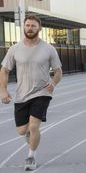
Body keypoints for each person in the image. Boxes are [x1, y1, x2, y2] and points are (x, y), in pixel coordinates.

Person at [0, 15, 62, 171]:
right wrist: (3, 90)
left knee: (34, 127)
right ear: (23, 27)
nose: (30, 28)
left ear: (39, 28)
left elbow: (58, 71)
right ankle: (31, 138)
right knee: (22, 131)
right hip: (21, 94)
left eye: (33, 26)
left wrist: (53, 82)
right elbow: (4, 70)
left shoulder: (49, 48)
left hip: (42, 92)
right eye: (27, 25)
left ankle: (31, 157)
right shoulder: (15, 49)